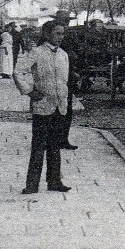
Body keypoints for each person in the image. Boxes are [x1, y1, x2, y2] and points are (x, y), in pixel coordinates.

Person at [13, 20, 72, 194]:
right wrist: (30, 91)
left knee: (55, 145)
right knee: (38, 145)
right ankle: (32, 184)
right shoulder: (36, 52)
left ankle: (54, 180)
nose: (60, 37)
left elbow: (63, 80)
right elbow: (18, 72)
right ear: (46, 34)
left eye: (62, 34)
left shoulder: (64, 55)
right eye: (57, 33)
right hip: (42, 106)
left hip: (59, 106)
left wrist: (64, 98)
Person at [52, 11, 78, 150]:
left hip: (68, 77)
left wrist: (76, 70)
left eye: (67, 21)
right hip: (52, 76)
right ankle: (50, 139)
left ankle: (63, 139)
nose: (65, 23)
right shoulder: (50, 34)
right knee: (51, 107)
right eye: (63, 20)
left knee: (67, 108)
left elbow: (77, 53)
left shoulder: (71, 36)